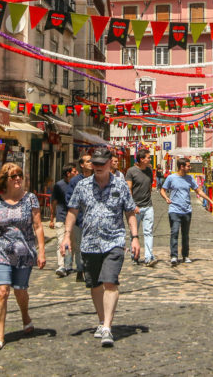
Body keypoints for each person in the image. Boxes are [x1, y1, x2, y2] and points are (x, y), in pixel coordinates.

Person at [62, 147, 140, 348]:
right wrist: (66, 237)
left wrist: (135, 237)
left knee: (110, 282)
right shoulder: (82, 186)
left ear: (109, 164)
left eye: (100, 164)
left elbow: (130, 212)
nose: (96, 167)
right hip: (89, 242)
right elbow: (72, 211)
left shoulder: (120, 185)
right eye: (94, 163)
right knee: (95, 285)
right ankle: (101, 319)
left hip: (114, 241)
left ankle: (107, 327)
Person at [0, 163, 46, 351]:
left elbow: (38, 226)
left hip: (24, 253)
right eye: (13, 176)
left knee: (20, 291)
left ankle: (25, 316)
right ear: (5, 181)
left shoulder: (30, 199)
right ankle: (0, 335)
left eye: (20, 175)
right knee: (2, 291)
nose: (17, 179)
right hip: (1, 251)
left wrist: (41, 251)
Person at [158, 158, 212, 265]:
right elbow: (162, 190)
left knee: (185, 234)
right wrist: (166, 198)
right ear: (182, 167)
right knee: (174, 232)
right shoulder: (171, 178)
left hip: (187, 210)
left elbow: (198, 190)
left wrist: (210, 200)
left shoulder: (190, 178)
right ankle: (174, 256)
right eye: (188, 166)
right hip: (174, 210)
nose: (190, 167)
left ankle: (185, 255)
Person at [125, 148, 156, 265]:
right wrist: (132, 205)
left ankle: (149, 257)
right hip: (135, 207)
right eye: (148, 157)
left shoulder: (149, 170)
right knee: (134, 232)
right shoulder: (131, 171)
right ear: (142, 159)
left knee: (148, 232)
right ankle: (135, 255)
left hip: (148, 206)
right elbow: (129, 189)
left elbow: (149, 187)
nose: (150, 159)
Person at [68, 153, 93, 281]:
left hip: (93, 221)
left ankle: (89, 269)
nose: (91, 163)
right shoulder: (75, 181)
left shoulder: (97, 179)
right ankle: (80, 269)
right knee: (79, 246)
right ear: (82, 165)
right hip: (79, 221)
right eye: (88, 161)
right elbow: (70, 201)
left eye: (91, 161)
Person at [50, 164, 78, 277]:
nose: (76, 173)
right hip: (61, 218)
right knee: (61, 241)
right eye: (74, 171)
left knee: (73, 243)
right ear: (68, 173)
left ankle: (69, 264)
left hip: (74, 219)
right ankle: (61, 265)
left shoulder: (77, 184)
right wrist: (52, 218)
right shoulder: (59, 185)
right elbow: (54, 202)